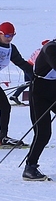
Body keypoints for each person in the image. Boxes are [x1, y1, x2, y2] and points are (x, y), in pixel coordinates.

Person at [23, 41, 56, 180]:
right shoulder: (50, 48)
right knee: (43, 133)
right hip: (39, 93)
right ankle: (30, 167)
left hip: (54, 90)